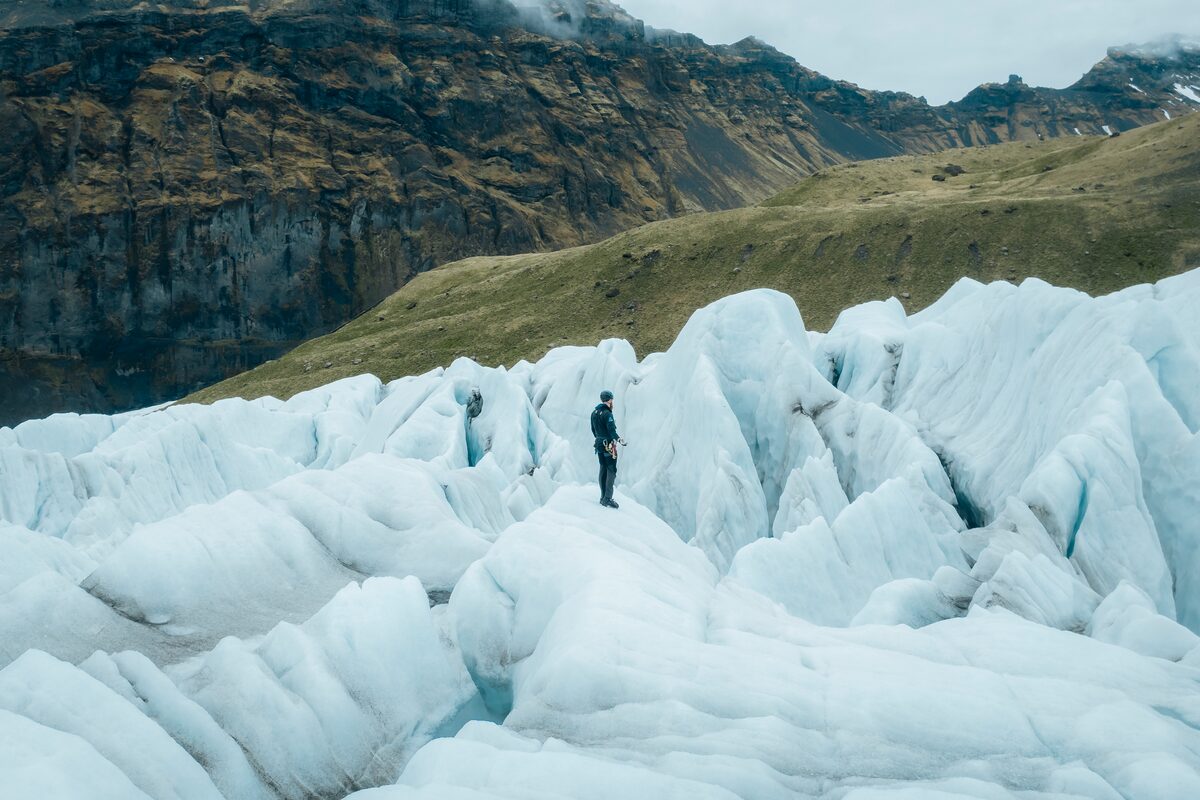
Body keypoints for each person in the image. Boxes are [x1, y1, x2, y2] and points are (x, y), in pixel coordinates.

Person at [590, 390, 624, 508]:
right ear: (609, 400)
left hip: (599, 443)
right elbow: (612, 431)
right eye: (612, 399)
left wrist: (600, 439)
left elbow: (593, 430)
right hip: (608, 445)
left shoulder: (594, 412)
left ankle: (602, 496)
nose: (612, 401)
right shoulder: (607, 414)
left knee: (603, 468)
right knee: (611, 470)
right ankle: (607, 498)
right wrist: (619, 439)